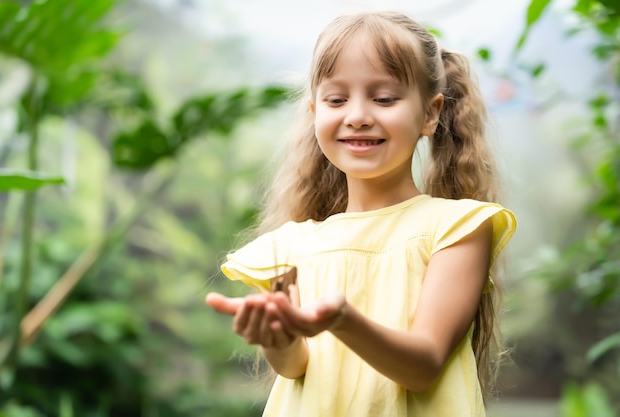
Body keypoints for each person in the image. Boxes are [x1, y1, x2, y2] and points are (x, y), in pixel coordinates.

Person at [206, 9, 517, 417]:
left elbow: (422, 365)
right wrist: (276, 338)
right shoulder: (291, 245)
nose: (356, 116)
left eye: (384, 98)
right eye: (337, 99)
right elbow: (294, 367)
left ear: (430, 113)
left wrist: (342, 320)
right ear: (317, 112)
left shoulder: (456, 228)